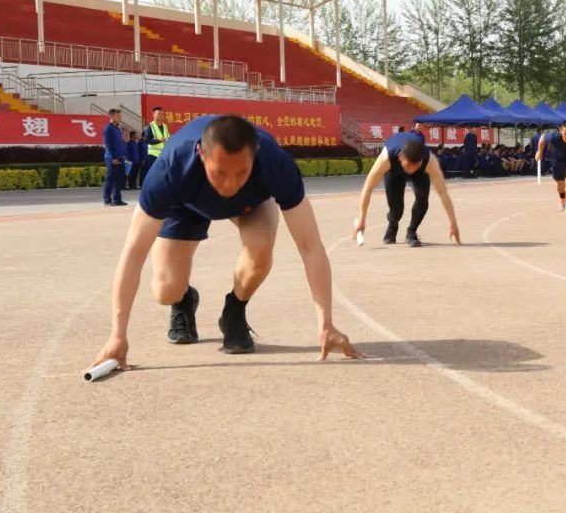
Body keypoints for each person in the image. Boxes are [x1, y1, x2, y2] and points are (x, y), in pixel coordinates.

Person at [87, 115, 361, 369]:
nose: (230, 184)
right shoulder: (170, 169)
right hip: (186, 205)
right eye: (220, 173)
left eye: (241, 172)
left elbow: (310, 246)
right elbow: (133, 253)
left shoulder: (275, 163)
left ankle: (234, 310)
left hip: (250, 205)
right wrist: (117, 335)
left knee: (261, 247)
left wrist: (326, 323)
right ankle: (183, 300)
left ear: (254, 156)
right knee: (164, 290)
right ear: (201, 154)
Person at [355, 129, 461, 247]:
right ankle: (393, 225)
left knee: (423, 198)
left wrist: (453, 223)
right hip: (394, 172)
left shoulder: (430, 161)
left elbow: (443, 193)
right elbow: (368, 187)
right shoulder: (386, 158)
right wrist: (362, 220)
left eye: (415, 166)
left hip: (420, 175)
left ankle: (412, 231)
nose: (411, 170)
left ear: (421, 161)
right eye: (408, 166)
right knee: (396, 209)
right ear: (400, 157)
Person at [103, 108, 127, 207]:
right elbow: (108, 144)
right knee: (110, 179)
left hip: (120, 157)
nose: (120, 117)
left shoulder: (117, 128)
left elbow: (120, 143)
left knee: (119, 179)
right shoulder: (108, 129)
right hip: (112, 158)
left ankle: (117, 199)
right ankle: (107, 200)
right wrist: (113, 158)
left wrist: (123, 155)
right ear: (112, 116)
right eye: (118, 116)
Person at [141, 106, 170, 185]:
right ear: (154, 115)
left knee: (162, 175)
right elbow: (147, 140)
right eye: (158, 113)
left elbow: (167, 138)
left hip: (163, 155)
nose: (161, 115)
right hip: (153, 155)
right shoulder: (150, 126)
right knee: (153, 175)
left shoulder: (165, 126)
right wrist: (159, 140)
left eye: (162, 113)